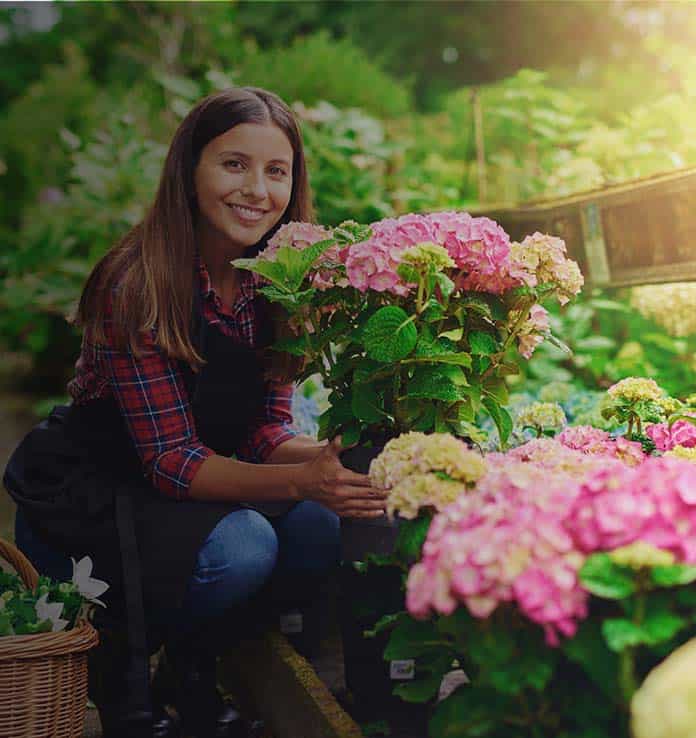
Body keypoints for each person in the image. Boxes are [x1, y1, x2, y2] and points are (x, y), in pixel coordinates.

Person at [3, 87, 387, 738]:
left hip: (186, 493)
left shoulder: (277, 279)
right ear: (189, 170)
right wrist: (302, 480)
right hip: (96, 505)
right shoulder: (138, 284)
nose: (257, 191)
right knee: (245, 548)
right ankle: (120, 657)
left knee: (322, 526)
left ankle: (193, 665)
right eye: (233, 164)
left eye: (276, 171)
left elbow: (266, 430)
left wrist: (335, 464)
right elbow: (169, 460)